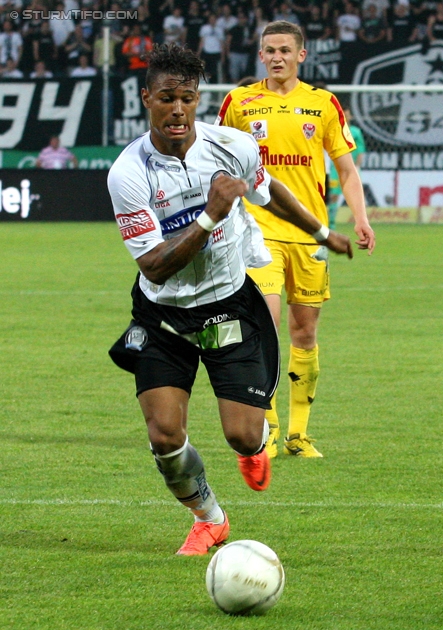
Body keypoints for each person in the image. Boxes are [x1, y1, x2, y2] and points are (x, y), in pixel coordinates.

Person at [107, 42, 353, 556]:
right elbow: (152, 264)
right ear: (146, 97)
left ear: (198, 100)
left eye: (188, 99)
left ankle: (253, 445)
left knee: (242, 435)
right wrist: (211, 216)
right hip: (163, 314)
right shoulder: (128, 174)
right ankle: (210, 518)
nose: (178, 109)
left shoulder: (231, 147)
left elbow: (270, 190)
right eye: (167, 98)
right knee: (165, 437)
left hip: (228, 305)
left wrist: (322, 231)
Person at [216, 21, 375, 459]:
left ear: (301, 55)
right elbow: (213, 158)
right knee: (263, 328)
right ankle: (266, 427)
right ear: (261, 55)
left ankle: (299, 436)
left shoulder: (322, 104)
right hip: (256, 231)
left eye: (285, 49)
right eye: (270, 50)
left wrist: (360, 217)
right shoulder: (239, 101)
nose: (277, 57)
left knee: (304, 331)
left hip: (310, 235)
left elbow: (346, 169)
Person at [328, 106, 366, 228]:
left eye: (348, 114)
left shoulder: (355, 132)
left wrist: (358, 166)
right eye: (344, 114)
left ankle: (361, 222)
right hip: (334, 168)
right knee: (333, 195)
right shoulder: (334, 129)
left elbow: (360, 150)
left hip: (351, 168)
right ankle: (330, 223)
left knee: (355, 195)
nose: (346, 116)